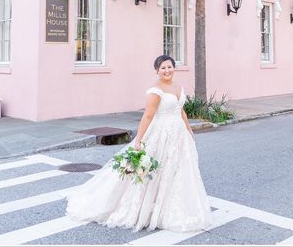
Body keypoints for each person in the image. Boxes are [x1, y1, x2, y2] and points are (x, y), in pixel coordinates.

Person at [64, 55, 212, 232]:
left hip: (178, 134)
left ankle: (168, 205)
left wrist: (189, 130)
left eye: (169, 67)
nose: (166, 70)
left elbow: (181, 111)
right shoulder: (155, 91)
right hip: (160, 134)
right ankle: (145, 206)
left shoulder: (178, 87)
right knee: (157, 169)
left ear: (174, 68)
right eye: (162, 68)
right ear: (157, 71)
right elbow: (148, 116)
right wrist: (139, 140)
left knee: (176, 169)